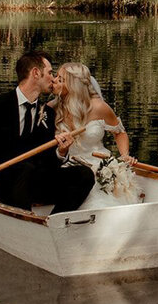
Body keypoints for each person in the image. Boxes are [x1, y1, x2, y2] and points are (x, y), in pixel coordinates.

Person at [0, 50, 95, 213]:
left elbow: (47, 162)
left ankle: (52, 222)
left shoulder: (48, 113)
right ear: (36, 73)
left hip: (33, 183)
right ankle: (21, 219)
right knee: (26, 170)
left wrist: (61, 152)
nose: (53, 79)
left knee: (84, 175)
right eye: (50, 73)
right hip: (0, 182)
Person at [49, 62, 142, 208]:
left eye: (60, 79)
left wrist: (124, 155)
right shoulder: (52, 109)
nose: (53, 80)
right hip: (69, 168)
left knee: (100, 201)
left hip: (99, 166)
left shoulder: (98, 107)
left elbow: (120, 133)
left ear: (74, 86)